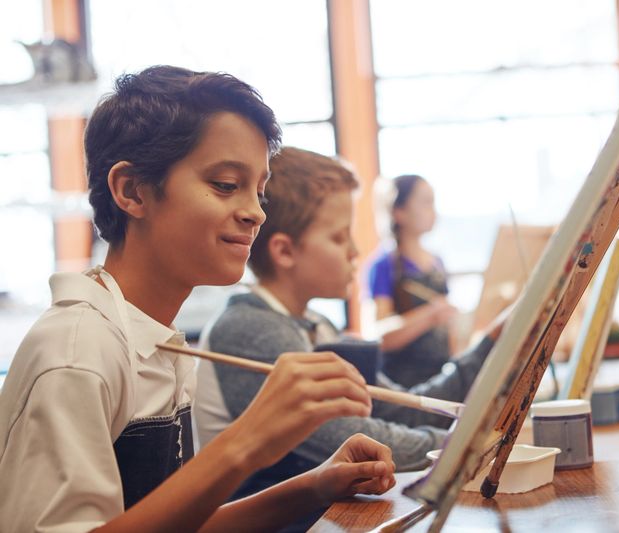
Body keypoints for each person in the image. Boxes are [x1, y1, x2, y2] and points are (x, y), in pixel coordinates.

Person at [0, 66, 395, 533]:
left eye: (259, 191)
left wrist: (313, 486)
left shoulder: (156, 339)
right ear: (132, 191)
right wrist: (247, 441)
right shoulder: (77, 353)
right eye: (227, 185)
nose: (254, 212)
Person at [194, 147, 509, 497]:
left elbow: (407, 407)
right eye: (339, 237)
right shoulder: (250, 329)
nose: (354, 252)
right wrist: (476, 442)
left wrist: (495, 340)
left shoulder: (319, 325)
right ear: (285, 252)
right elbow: (362, 440)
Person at [367, 174, 458, 387]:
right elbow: (379, 335)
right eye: (426, 202)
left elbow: (449, 330)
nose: (433, 211)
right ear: (399, 212)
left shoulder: (437, 262)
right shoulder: (383, 265)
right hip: (403, 382)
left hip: (440, 377)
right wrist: (430, 315)